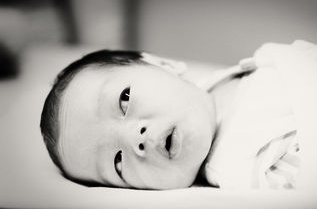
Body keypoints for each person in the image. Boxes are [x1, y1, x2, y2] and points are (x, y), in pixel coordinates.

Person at [40, 50, 246, 189]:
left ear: (164, 65)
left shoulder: (254, 67)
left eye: (125, 100)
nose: (134, 139)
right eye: (117, 162)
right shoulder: (242, 171)